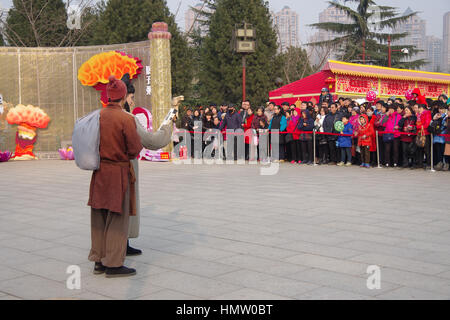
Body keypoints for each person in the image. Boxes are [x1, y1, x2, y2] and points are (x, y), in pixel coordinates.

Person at [88, 75, 143, 277]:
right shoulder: (125, 118)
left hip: (99, 172)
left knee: (99, 216)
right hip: (118, 172)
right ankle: (113, 263)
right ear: (123, 96)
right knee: (117, 217)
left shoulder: (97, 116)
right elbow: (135, 148)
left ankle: (98, 261)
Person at [430, 103, 448, 170]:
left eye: (442, 109)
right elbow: (431, 125)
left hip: (444, 136)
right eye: (440, 109)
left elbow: (445, 125)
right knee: (438, 151)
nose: (441, 110)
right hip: (437, 137)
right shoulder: (436, 116)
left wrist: (441, 119)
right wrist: (434, 119)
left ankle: (446, 163)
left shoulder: (446, 116)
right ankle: (439, 163)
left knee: (444, 151)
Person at [415, 103, 432, 169]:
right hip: (419, 133)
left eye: (420, 108)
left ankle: (428, 164)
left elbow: (427, 123)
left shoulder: (427, 113)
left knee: (426, 150)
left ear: (423, 108)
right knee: (419, 148)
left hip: (425, 133)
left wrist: (419, 127)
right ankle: (420, 163)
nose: (419, 109)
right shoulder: (418, 115)